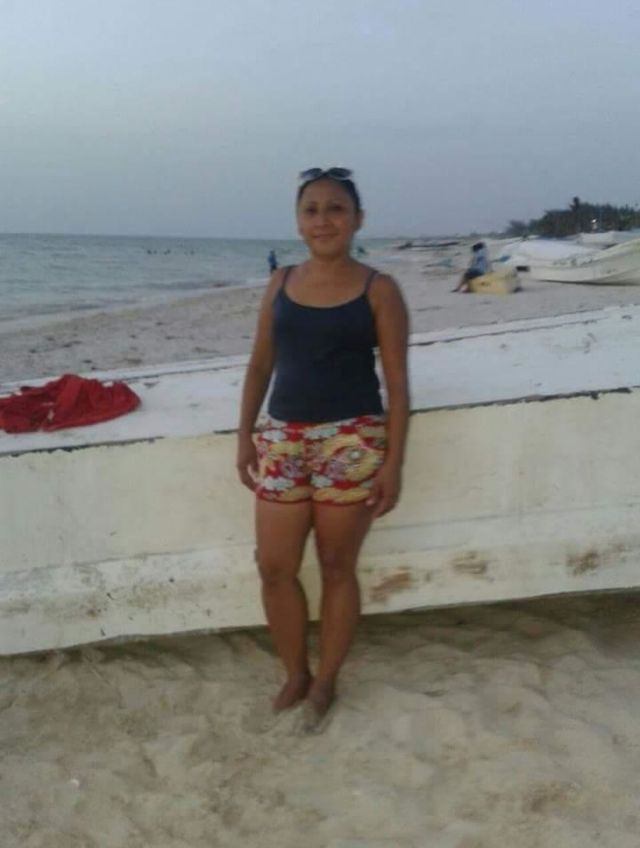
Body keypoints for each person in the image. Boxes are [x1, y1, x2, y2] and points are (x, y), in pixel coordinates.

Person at [236, 167, 410, 730]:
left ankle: (326, 681)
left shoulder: (379, 290)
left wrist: (393, 463)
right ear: (298, 222)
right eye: (311, 210)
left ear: (358, 219)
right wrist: (245, 435)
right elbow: (260, 365)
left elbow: (398, 384)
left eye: (336, 208)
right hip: (283, 439)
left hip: (352, 441)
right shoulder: (280, 282)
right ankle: (295, 673)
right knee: (274, 567)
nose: (323, 220)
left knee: (337, 566)